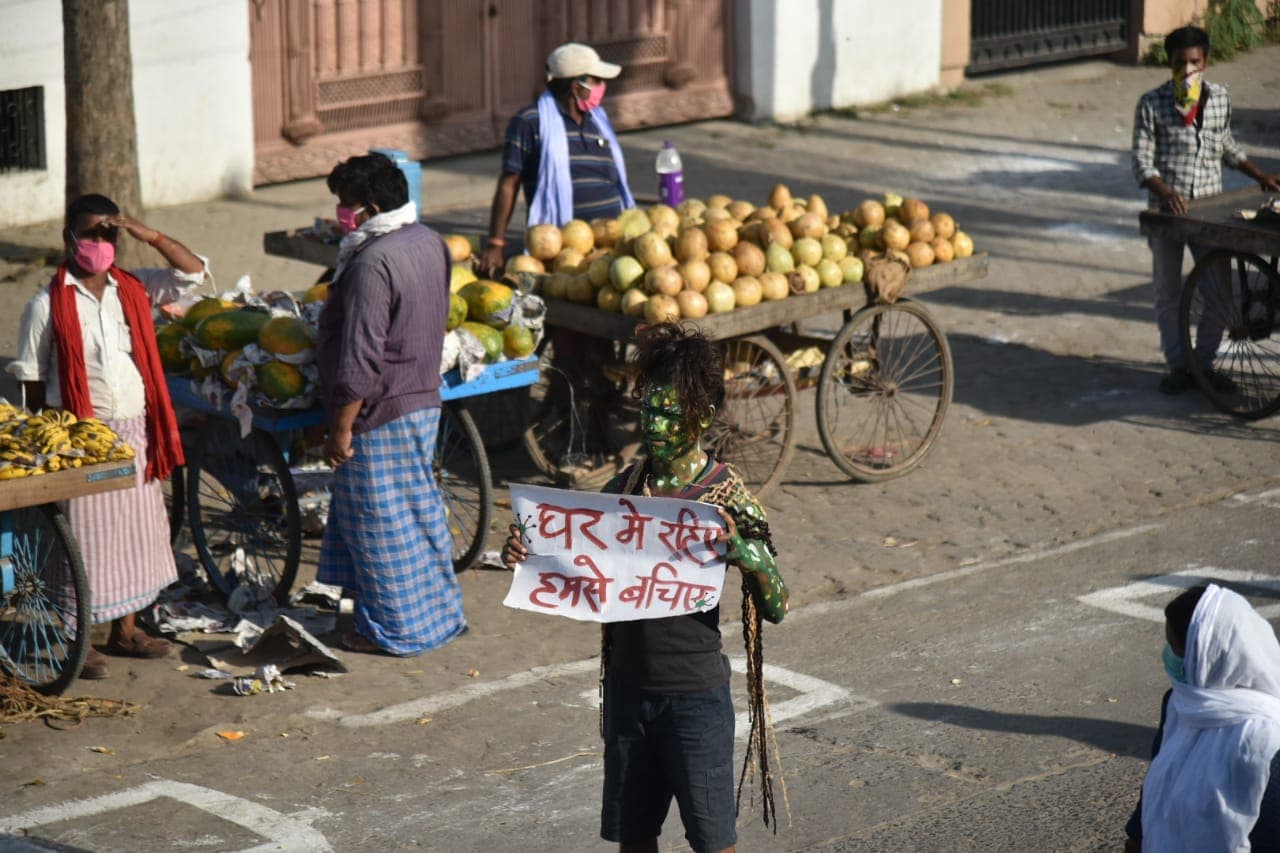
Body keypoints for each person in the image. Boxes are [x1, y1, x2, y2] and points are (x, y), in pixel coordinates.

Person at [502, 323, 789, 853]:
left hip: (695, 698)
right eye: (648, 408)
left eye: (666, 411)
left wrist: (745, 554)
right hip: (628, 695)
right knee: (635, 839)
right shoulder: (624, 488)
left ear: (699, 416)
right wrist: (522, 551)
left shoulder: (726, 497)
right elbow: (568, 555)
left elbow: (778, 604)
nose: (653, 423)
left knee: (713, 842)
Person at [7, 194, 206, 680]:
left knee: (135, 534)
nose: (99, 242)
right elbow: (31, 379)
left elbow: (193, 272)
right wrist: (42, 441)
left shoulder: (135, 288)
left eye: (107, 233)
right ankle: (78, 639)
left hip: (135, 430)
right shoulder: (45, 304)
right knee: (87, 541)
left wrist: (147, 233)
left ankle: (126, 630)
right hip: (80, 437)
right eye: (90, 233)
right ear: (69, 239)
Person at [316, 152, 467, 656]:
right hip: (423, 399)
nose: (341, 215)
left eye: (345, 206)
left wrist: (341, 429)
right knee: (417, 512)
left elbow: (361, 358)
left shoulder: (372, 262)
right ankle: (436, 615)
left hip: (379, 411)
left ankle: (395, 629)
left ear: (370, 206)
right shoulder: (428, 240)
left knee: (380, 522)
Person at [1131, 24, 1280, 395]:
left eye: (1194, 62)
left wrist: (1260, 175)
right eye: (1180, 63)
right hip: (1168, 214)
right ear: (1170, 64)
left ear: (1206, 62)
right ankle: (1179, 366)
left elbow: (1227, 146)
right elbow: (1141, 164)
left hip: (1208, 210)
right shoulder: (1151, 104)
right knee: (1167, 292)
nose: (1188, 70)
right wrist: (1165, 193)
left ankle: (1203, 364)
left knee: (1219, 293)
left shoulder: (1219, 99)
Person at [1124, 583, 1280, 851]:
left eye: (1175, 648)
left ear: (1208, 656)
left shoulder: (1267, 741)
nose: (1168, 656)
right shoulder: (1178, 704)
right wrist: (1137, 838)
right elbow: (1160, 780)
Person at [478, 41, 635, 276]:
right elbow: (509, 184)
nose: (602, 86)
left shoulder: (597, 120)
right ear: (576, 86)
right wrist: (495, 244)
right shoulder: (529, 122)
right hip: (565, 250)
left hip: (613, 240)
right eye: (596, 80)